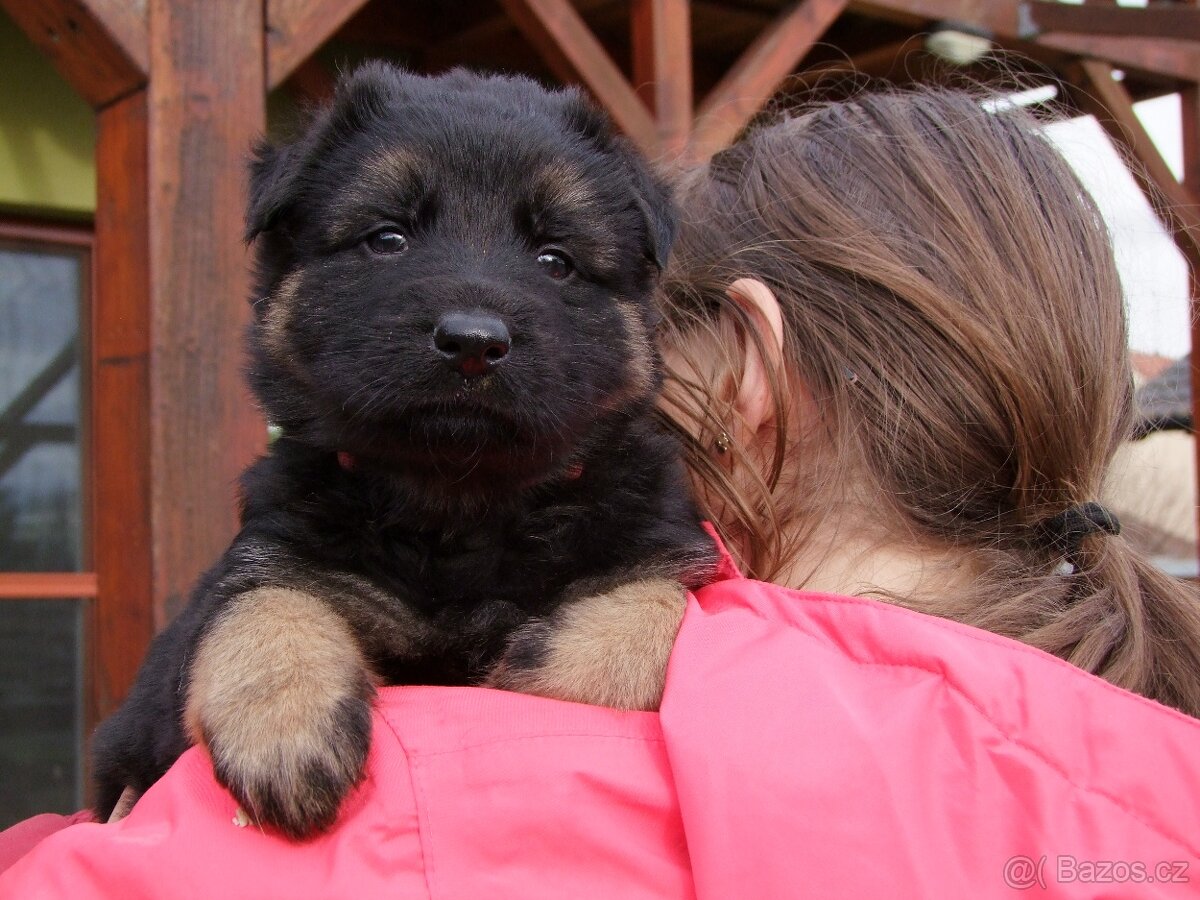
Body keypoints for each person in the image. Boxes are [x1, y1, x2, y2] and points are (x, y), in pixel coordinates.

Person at [2, 88, 1198, 898]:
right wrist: (262, 631)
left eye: (558, 259)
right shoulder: (1157, 770)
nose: (474, 315)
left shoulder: (666, 633)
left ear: (744, 369)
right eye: (386, 239)